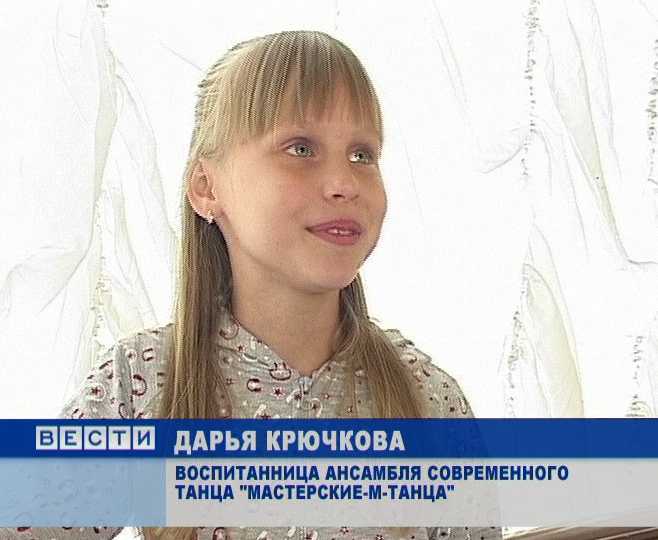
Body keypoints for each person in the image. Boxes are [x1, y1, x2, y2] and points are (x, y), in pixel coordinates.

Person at [8, 30, 502, 540]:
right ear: (207, 187)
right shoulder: (141, 386)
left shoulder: (429, 402)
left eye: (362, 155)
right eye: (301, 148)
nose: (344, 183)